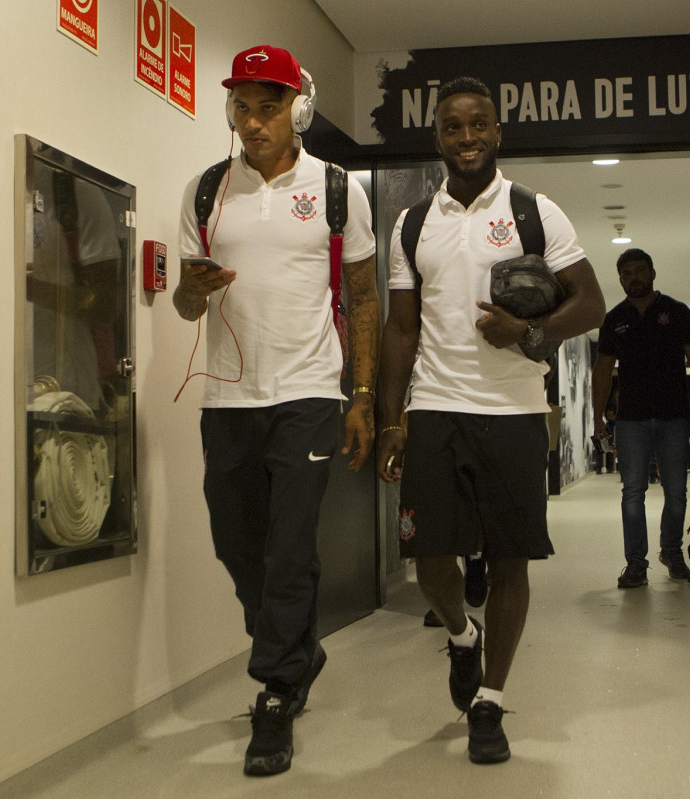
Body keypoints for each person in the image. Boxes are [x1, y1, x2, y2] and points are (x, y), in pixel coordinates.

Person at [376, 77, 605, 765]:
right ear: (438, 137)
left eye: (479, 125)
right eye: (453, 126)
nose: (467, 137)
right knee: (427, 558)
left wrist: (531, 335)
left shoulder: (537, 213)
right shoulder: (413, 224)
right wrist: (391, 419)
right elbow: (399, 329)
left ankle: (490, 700)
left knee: (510, 558)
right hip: (436, 407)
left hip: (512, 412)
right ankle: (460, 635)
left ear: (498, 132)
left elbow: (590, 303)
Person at [173, 44, 379, 778]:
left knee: (291, 545)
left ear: (300, 108)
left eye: (269, 105)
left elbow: (362, 296)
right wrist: (195, 289)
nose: (253, 120)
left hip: (310, 390)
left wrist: (362, 397)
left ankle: (276, 691)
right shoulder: (206, 192)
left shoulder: (334, 190)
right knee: (238, 542)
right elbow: (184, 301)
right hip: (227, 392)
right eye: (241, 105)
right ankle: (298, 648)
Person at [592, 248, 690, 587]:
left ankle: (672, 551)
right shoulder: (615, 319)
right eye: (627, 273)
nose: (634, 277)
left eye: (640, 270)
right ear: (620, 278)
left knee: (676, 490)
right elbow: (603, 370)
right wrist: (597, 418)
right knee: (633, 492)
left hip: (673, 417)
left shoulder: (676, 312)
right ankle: (636, 563)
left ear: (653, 273)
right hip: (631, 420)